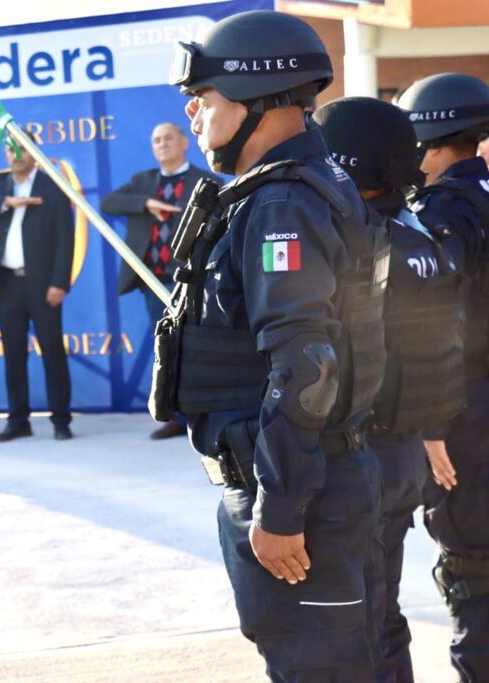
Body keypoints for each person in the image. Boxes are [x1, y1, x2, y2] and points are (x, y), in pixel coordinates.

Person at [159, 11, 388, 680]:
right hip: (311, 477)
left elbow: (306, 364)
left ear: (259, 100)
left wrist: (281, 506)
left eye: (203, 101)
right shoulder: (306, 186)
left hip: (303, 492)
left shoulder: (283, 204)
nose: (194, 118)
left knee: (316, 666)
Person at [313, 96, 466, 683]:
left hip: (362, 454)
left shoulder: (354, 246)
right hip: (403, 451)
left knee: (348, 629)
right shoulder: (419, 236)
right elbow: (436, 349)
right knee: (381, 615)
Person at [398, 72, 489, 682]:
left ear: (430, 143)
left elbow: (437, 321)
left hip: (467, 410)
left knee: (473, 567)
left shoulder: (441, 212)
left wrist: (429, 420)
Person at [101, 122, 219, 439]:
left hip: (192, 282)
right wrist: (145, 204)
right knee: (167, 349)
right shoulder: (143, 181)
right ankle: (178, 418)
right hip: (154, 283)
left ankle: (206, 413)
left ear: (184, 143)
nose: (162, 144)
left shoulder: (205, 181)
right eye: (156, 140)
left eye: (168, 138)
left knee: (198, 346)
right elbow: (108, 203)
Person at [0, 140, 75, 441]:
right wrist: (5, 203)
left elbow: (65, 238)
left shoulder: (52, 185)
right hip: (7, 282)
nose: (15, 154)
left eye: (22, 148)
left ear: (34, 154)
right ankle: (18, 420)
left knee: (52, 352)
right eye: (10, 149)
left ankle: (61, 420)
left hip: (43, 283)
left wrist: (59, 282)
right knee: (13, 355)